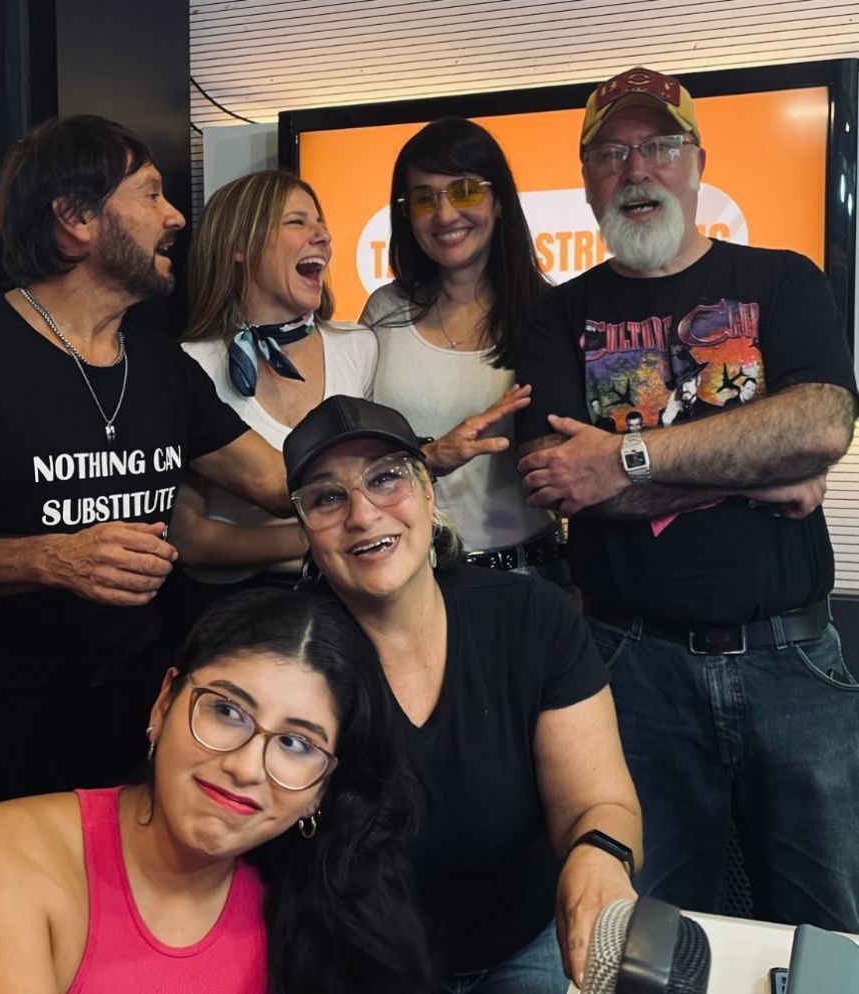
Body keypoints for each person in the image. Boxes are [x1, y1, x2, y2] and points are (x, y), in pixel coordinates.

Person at [0, 115, 291, 990]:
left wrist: (412, 463)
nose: (176, 217)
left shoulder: (161, 368)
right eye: (151, 195)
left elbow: (277, 481)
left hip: (125, 720)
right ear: (76, 219)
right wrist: (52, 559)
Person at [515, 66, 859, 931]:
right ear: (587, 178)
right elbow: (563, 480)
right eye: (611, 153)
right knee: (648, 938)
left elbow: (821, 422)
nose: (637, 169)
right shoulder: (559, 316)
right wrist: (756, 466)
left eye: (659, 145)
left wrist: (625, 457)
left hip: (793, 662)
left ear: (698, 161)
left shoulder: (783, 280)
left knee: (828, 932)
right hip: (631, 668)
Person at [282, 395, 642, 992]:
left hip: (523, 946)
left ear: (428, 492)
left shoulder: (530, 618)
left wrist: (598, 857)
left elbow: (600, 803)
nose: (363, 515)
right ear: (305, 531)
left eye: (385, 479)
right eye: (327, 497)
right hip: (361, 963)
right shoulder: (283, 656)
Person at [0, 588, 433, 994]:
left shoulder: (323, 903)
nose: (246, 767)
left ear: (323, 789)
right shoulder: (3, 859)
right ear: (164, 704)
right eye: (227, 711)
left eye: (296, 744)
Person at [168, 168, 533, 639]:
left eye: (321, 223)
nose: (323, 236)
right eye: (297, 222)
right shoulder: (187, 364)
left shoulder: (358, 346)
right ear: (239, 244)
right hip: (232, 618)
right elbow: (191, 539)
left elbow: (377, 478)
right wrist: (330, 536)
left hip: (347, 605)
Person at [360, 118, 564, 580]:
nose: (445, 214)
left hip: (526, 579)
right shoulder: (383, 311)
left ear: (500, 201)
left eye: (465, 191)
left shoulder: (549, 314)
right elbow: (356, 450)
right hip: (407, 578)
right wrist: (428, 457)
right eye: (424, 198)